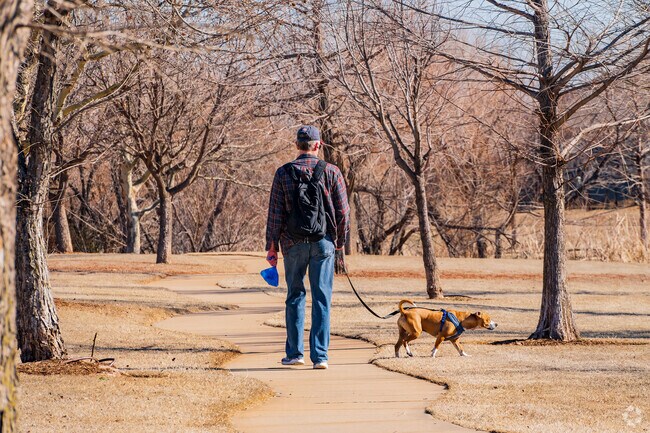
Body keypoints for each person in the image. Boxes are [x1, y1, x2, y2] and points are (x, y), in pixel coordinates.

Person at [265, 125, 350, 370]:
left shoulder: (283, 173)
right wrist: (339, 242)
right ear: (318, 144)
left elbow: (275, 213)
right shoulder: (332, 172)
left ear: (296, 145)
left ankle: (294, 354)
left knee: (294, 296)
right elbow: (343, 211)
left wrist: (272, 247)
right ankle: (320, 357)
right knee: (322, 298)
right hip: (323, 243)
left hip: (292, 243)